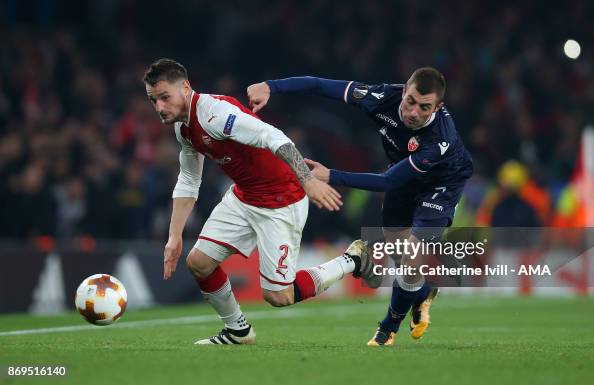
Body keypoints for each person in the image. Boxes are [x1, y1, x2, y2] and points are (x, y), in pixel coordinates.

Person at [143, 59, 379, 345]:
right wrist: (174, 236)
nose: (159, 107)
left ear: (185, 87)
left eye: (164, 97)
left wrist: (307, 180)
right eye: (153, 100)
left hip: (281, 200)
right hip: (244, 196)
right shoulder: (184, 129)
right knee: (199, 262)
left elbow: (272, 135)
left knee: (279, 296)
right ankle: (238, 331)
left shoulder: (215, 114)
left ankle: (352, 259)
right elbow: (190, 180)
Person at [247, 68, 474, 346]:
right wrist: (271, 85)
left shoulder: (440, 139)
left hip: (440, 185)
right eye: (411, 101)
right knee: (401, 257)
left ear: (438, 107)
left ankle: (387, 329)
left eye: (424, 107)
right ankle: (424, 292)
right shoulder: (379, 96)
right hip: (402, 175)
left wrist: (331, 175)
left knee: (413, 255)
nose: (413, 112)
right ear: (404, 90)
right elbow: (320, 85)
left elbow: (388, 182)